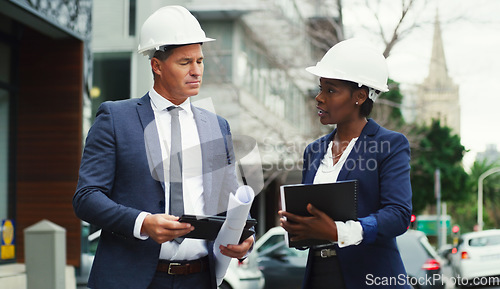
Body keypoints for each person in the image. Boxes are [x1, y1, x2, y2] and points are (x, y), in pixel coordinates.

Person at [73, 6, 253, 289]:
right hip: (132, 279)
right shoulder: (115, 118)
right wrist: (142, 223)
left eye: (200, 61)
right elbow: (86, 197)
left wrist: (246, 238)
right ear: (157, 65)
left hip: (200, 278)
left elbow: (231, 201)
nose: (196, 71)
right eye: (185, 63)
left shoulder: (217, 126)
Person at [279, 38, 413, 289]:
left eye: (331, 90)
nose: (319, 98)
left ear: (360, 96)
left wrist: (338, 232)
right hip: (319, 275)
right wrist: (298, 226)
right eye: (321, 88)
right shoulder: (314, 151)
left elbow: (398, 214)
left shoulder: (390, 145)